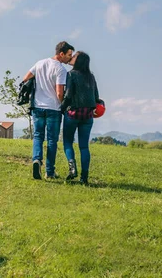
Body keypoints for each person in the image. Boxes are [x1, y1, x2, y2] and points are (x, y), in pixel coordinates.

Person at [22, 41, 75, 180]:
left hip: (38, 107)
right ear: (61, 54)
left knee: (38, 136)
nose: (70, 58)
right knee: (52, 140)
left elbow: (25, 78)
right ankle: (49, 172)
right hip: (53, 109)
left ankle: (36, 160)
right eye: (69, 55)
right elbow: (59, 93)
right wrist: (63, 105)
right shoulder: (61, 70)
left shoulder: (40, 63)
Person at [60, 51, 103, 185]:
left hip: (73, 113)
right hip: (88, 115)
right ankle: (84, 178)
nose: (71, 58)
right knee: (84, 147)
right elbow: (96, 96)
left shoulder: (71, 74)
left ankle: (72, 169)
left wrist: (61, 109)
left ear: (78, 60)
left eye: (74, 56)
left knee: (67, 142)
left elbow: (68, 95)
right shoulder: (91, 77)